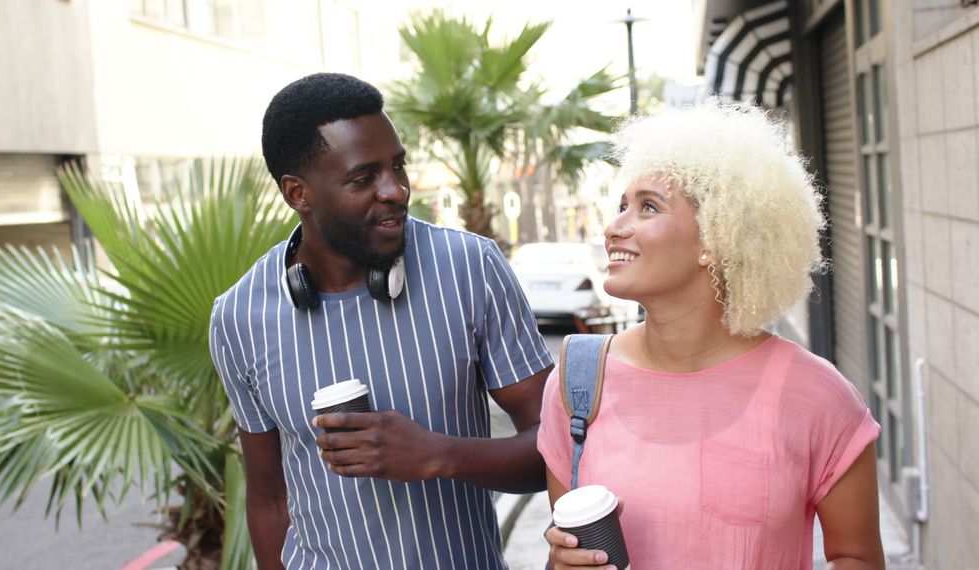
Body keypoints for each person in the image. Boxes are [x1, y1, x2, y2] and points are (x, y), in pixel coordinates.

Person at [209, 72, 554, 569]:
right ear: (297, 193)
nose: (396, 190)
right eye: (364, 177)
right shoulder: (238, 317)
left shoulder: (470, 267)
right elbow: (269, 499)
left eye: (398, 166)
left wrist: (439, 454)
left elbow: (554, 448)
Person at [539, 101, 885, 570]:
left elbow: (857, 557)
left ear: (715, 239)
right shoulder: (578, 382)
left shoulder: (816, 396)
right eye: (622, 206)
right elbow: (565, 548)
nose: (613, 228)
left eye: (647, 207)